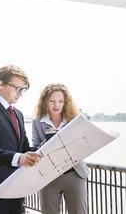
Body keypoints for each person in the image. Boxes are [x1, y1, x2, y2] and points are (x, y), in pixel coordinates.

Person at [0, 65, 43, 214]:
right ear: (1, 84)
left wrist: (48, 147)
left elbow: (24, 148)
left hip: (15, 189)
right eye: (17, 88)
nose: (20, 94)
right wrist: (19, 158)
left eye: (23, 89)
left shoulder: (18, 114)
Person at [32, 83, 89, 214]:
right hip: (49, 176)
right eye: (52, 101)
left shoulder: (75, 120)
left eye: (60, 101)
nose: (56, 105)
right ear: (45, 102)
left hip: (74, 173)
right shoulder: (37, 122)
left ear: (65, 102)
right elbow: (35, 150)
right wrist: (49, 139)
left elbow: (84, 145)